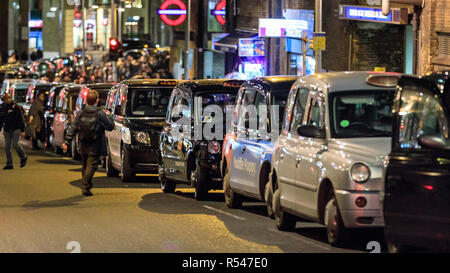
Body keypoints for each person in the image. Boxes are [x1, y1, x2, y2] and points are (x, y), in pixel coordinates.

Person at [62, 90, 114, 196]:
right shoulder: (100, 113)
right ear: (97, 100)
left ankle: (87, 185)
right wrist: (109, 116)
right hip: (95, 143)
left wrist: (67, 141)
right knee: (92, 165)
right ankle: (85, 186)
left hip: (82, 142)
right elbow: (110, 126)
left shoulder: (81, 112)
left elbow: (74, 127)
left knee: (85, 165)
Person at [0, 93, 27, 170]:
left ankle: (23, 157)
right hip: (7, 129)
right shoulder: (2, 107)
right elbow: (1, 120)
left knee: (15, 144)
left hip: (16, 129)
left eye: (8, 98)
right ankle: (9, 163)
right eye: (6, 98)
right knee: (7, 147)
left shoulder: (16, 107)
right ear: (3, 100)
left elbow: (21, 119)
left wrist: (22, 130)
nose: (7, 100)